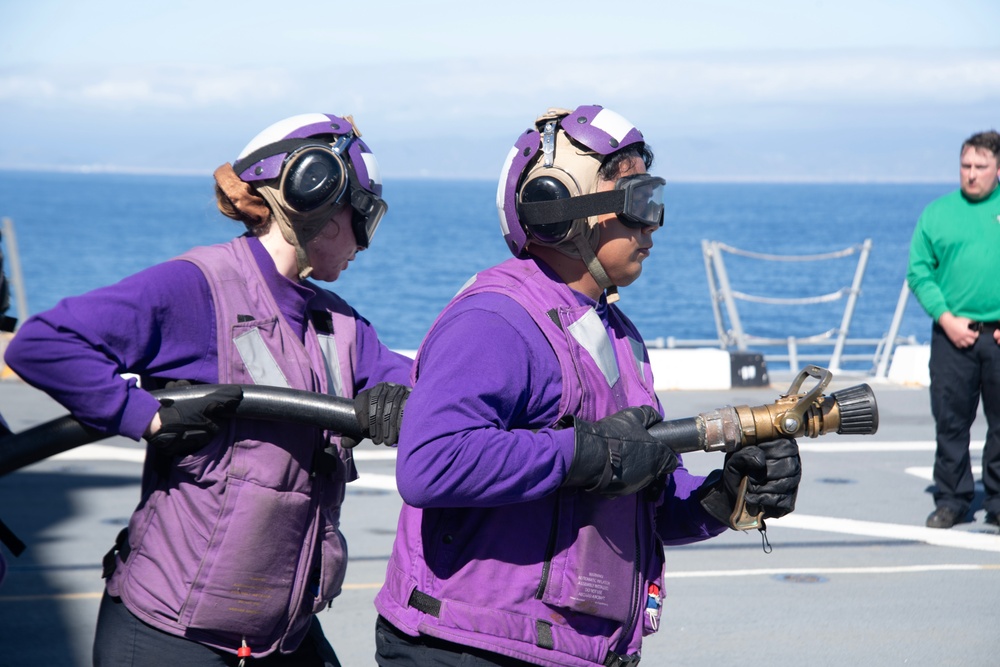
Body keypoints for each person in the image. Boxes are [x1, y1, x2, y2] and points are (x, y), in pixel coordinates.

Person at [372, 105, 802, 667]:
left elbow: (638, 489)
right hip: (469, 648)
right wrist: (585, 453)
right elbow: (431, 463)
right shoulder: (495, 320)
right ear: (558, 207)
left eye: (655, 201)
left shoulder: (618, 336)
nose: (652, 226)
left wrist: (722, 497)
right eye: (638, 202)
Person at [4, 112, 413, 666]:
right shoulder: (198, 288)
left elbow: (404, 380)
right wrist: (141, 415)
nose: (365, 240)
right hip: (170, 634)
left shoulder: (336, 323)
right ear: (312, 193)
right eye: (362, 213)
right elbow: (46, 344)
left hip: (281, 634)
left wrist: (397, 397)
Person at [907, 130, 1000, 530]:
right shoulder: (937, 213)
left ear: (998, 168)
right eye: (966, 166)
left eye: (981, 167)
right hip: (952, 335)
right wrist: (946, 318)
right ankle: (952, 498)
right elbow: (919, 271)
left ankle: (997, 502)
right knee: (950, 423)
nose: (972, 174)